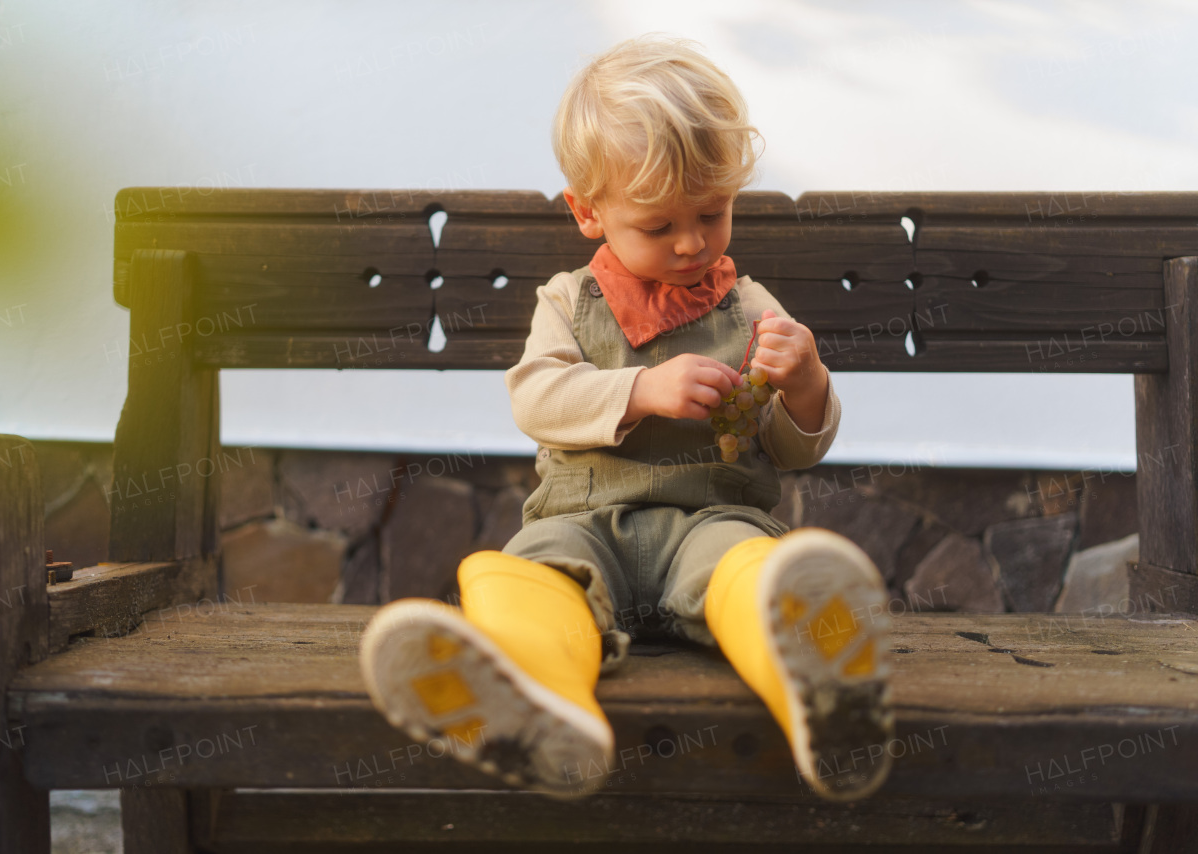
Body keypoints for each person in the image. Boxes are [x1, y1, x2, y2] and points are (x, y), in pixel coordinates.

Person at [361, 34, 893, 803]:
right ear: (588, 212)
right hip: (584, 521)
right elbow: (535, 398)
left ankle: (818, 679)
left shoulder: (750, 306)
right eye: (659, 225)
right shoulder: (567, 301)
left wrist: (805, 382)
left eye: (713, 214)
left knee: (750, 570)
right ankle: (536, 698)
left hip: (711, 518)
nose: (692, 242)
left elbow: (794, 447)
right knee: (535, 571)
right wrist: (639, 391)